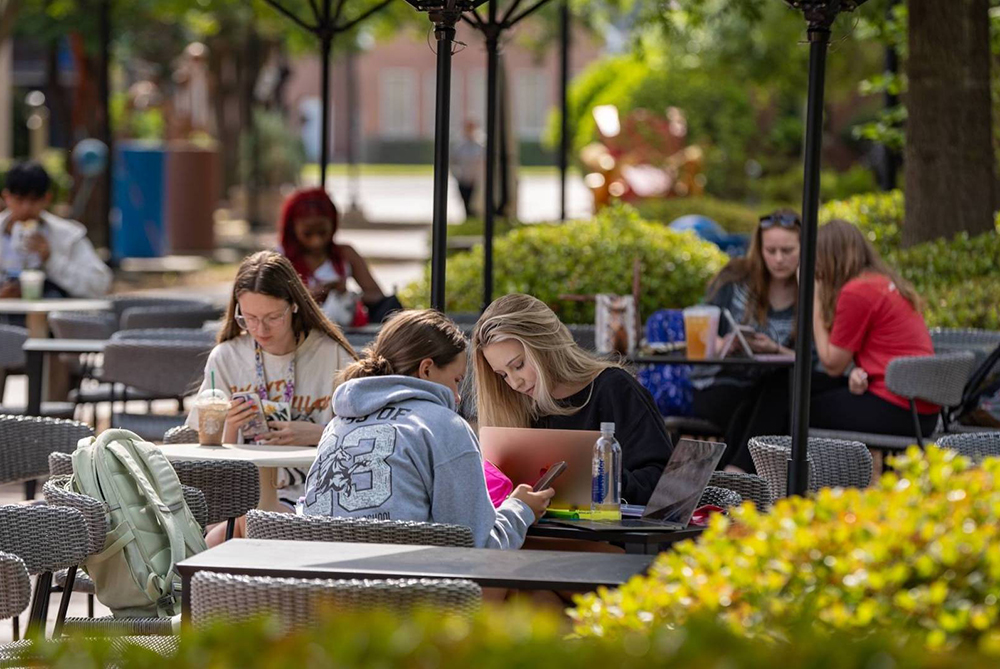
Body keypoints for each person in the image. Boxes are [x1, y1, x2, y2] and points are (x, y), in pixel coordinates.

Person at [303, 309, 553, 549]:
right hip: (410, 586)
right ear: (426, 369)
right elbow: (478, 546)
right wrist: (521, 509)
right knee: (535, 591)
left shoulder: (337, 425)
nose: (457, 398)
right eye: (457, 381)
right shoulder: (443, 425)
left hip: (320, 585)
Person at [186, 251, 357, 543]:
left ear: (293, 305)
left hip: (314, 495)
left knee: (224, 540)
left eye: (272, 317)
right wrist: (231, 427)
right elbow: (211, 456)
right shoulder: (227, 357)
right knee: (229, 531)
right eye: (248, 318)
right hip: (243, 493)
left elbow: (361, 440)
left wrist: (318, 432)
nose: (260, 330)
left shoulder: (331, 353)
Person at [471, 293, 673, 506]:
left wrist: (599, 482)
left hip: (604, 535)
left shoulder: (615, 389)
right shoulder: (518, 408)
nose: (514, 383)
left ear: (545, 344)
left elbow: (663, 483)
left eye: (518, 365)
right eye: (502, 375)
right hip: (534, 535)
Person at [690, 209, 802, 471]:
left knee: (773, 389)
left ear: (804, 248)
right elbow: (705, 335)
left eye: (787, 251)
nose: (778, 259)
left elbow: (815, 359)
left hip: (773, 386)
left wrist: (774, 349)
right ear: (759, 248)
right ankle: (738, 478)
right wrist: (728, 343)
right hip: (722, 380)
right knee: (762, 401)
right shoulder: (736, 278)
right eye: (770, 250)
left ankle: (728, 478)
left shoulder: (813, 290)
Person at [809, 219, 937, 436]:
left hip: (898, 407)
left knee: (794, 407)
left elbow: (832, 364)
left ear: (829, 259)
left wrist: (814, 298)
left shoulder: (856, 291)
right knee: (786, 387)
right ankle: (740, 466)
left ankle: (756, 467)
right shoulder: (879, 281)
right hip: (920, 406)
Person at [277, 187, 400, 327]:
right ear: (293, 228)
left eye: (322, 232)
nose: (316, 240)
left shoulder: (346, 254)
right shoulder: (281, 258)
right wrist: (307, 296)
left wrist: (347, 295)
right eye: (308, 234)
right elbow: (271, 302)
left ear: (333, 225)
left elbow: (377, 295)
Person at [0, 161, 112, 299]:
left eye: (34, 200)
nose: (26, 208)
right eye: (19, 200)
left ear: (47, 198)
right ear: (6, 197)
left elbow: (99, 285)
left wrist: (51, 259)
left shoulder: (67, 235)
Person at [451, 120, 484, 219]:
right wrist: (458, 176)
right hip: (464, 180)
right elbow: (453, 163)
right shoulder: (459, 147)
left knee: (476, 204)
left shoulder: (480, 146)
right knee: (466, 204)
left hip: (477, 181)